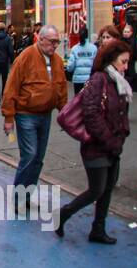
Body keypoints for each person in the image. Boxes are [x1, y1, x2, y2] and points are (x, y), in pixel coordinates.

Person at [54, 39, 133, 242]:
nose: (126, 66)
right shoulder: (99, 80)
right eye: (123, 62)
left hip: (113, 146)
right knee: (96, 189)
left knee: (106, 189)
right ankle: (64, 213)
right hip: (97, 146)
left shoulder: (118, 81)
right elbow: (91, 114)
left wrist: (120, 137)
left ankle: (98, 229)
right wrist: (110, 140)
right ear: (111, 60)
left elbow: (120, 113)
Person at [2, 25, 69, 191]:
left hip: (45, 115)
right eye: (52, 42)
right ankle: (19, 196)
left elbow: (61, 88)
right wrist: (8, 117)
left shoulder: (57, 61)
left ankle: (26, 194)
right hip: (26, 114)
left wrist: (64, 113)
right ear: (41, 39)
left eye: (57, 42)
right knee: (30, 155)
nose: (54, 45)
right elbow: (11, 87)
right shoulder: (25, 57)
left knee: (38, 158)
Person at [67, 28, 97, 95]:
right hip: (90, 80)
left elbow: (70, 67)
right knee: (89, 100)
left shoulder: (74, 49)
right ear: (87, 35)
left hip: (77, 81)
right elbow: (96, 64)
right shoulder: (94, 48)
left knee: (78, 101)